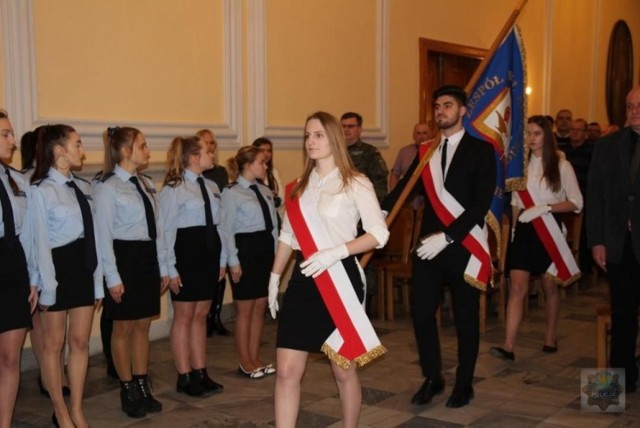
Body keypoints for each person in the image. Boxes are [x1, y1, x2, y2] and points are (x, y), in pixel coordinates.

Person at [270, 111, 389, 428]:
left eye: (318, 135)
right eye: (307, 135)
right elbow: (287, 236)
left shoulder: (356, 182)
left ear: (334, 138)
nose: (311, 141)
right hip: (304, 280)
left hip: (341, 280)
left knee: (343, 369)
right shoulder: (298, 187)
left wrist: (335, 252)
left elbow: (379, 234)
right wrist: (273, 278)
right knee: (286, 371)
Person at [383, 85, 496, 408]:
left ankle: (464, 383)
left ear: (463, 111)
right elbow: (403, 192)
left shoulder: (482, 150)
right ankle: (433, 376)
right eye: (436, 106)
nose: (440, 111)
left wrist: (448, 236)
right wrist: (378, 213)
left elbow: (480, 203)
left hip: (463, 245)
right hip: (428, 249)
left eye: (447, 106)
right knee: (420, 313)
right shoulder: (425, 152)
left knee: (464, 318)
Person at [489, 115, 583, 362]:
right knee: (517, 287)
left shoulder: (562, 166)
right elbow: (516, 204)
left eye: (537, 133)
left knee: (549, 286)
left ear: (547, 136)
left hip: (550, 229)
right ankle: (508, 345)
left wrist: (547, 208)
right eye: (528, 133)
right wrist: (513, 235)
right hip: (525, 231)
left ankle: (550, 337)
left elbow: (577, 202)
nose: (532, 138)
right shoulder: (519, 168)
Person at [29, 124, 103, 428]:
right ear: (60, 151)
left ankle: (76, 408)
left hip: (82, 267)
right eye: (78, 144)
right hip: (56, 269)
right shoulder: (41, 191)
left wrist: (98, 280)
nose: (82, 150)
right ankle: (59, 410)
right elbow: (40, 244)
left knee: (80, 342)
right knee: (54, 344)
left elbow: (94, 238)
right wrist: (48, 288)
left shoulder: (82, 188)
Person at [93, 126, 169, 418]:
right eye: (143, 145)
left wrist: (163, 266)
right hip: (123, 260)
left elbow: (158, 230)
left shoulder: (147, 184)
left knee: (142, 326)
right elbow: (103, 236)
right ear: (126, 151)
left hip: (146, 259)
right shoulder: (107, 187)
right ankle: (127, 388)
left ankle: (142, 384)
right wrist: (112, 277)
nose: (148, 150)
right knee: (123, 327)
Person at [159, 136, 226, 397]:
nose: (213, 155)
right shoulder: (174, 189)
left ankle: (201, 370)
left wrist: (221, 260)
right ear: (195, 157)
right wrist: (170, 268)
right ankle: (184, 375)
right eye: (208, 151)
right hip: (186, 255)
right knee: (185, 316)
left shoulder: (210, 186)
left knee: (201, 316)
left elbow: (219, 225)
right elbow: (165, 231)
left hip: (207, 255)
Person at [587, 85, 640, 393]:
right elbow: (595, 197)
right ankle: (617, 386)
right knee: (622, 316)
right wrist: (597, 240)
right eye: (630, 106)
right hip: (619, 245)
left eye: (638, 106)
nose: (633, 111)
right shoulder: (607, 146)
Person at [20, 127, 74, 395]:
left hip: (42, 256)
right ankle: (51, 374)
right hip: (31, 256)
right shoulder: (32, 182)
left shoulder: (55, 181)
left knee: (46, 327)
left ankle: (53, 374)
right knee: (43, 326)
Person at [220, 146, 277, 379]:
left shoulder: (264, 191)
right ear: (248, 165)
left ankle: (255, 357)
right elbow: (226, 228)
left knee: (260, 306)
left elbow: (273, 227)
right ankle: (244, 360)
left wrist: (276, 258)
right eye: (261, 162)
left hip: (264, 252)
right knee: (244, 308)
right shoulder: (231, 193)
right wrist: (232, 260)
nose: (265, 166)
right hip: (245, 252)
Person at [0, 110, 37, 428]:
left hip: (12, 266)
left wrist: (33, 277)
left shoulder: (16, 179)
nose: (13, 140)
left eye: (11, 134)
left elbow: (28, 234)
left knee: (10, 357)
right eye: (5, 134)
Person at [197, 129, 231, 337]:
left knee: (220, 278)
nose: (210, 147)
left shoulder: (219, 172)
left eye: (212, 143)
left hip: (218, 227)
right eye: (205, 143)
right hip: (202, 231)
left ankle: (215, 316)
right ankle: (206, 318)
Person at [340, 112, 389, 203]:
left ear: (359, 129)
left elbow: (380, 184)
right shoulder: (333, 151)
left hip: (362, 202)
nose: (346, 129)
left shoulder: (370, 152)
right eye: (343, 126)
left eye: (350, 126)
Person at [389, 123, 433, 190]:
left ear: (430, 135)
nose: (421, 137)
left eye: (425, 133)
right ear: (414, 136)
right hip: (409, 194)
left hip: (429, 193)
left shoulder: (436, 152)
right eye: (418, 133)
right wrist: (393, 194)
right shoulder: (404, 152)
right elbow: (395, 174)